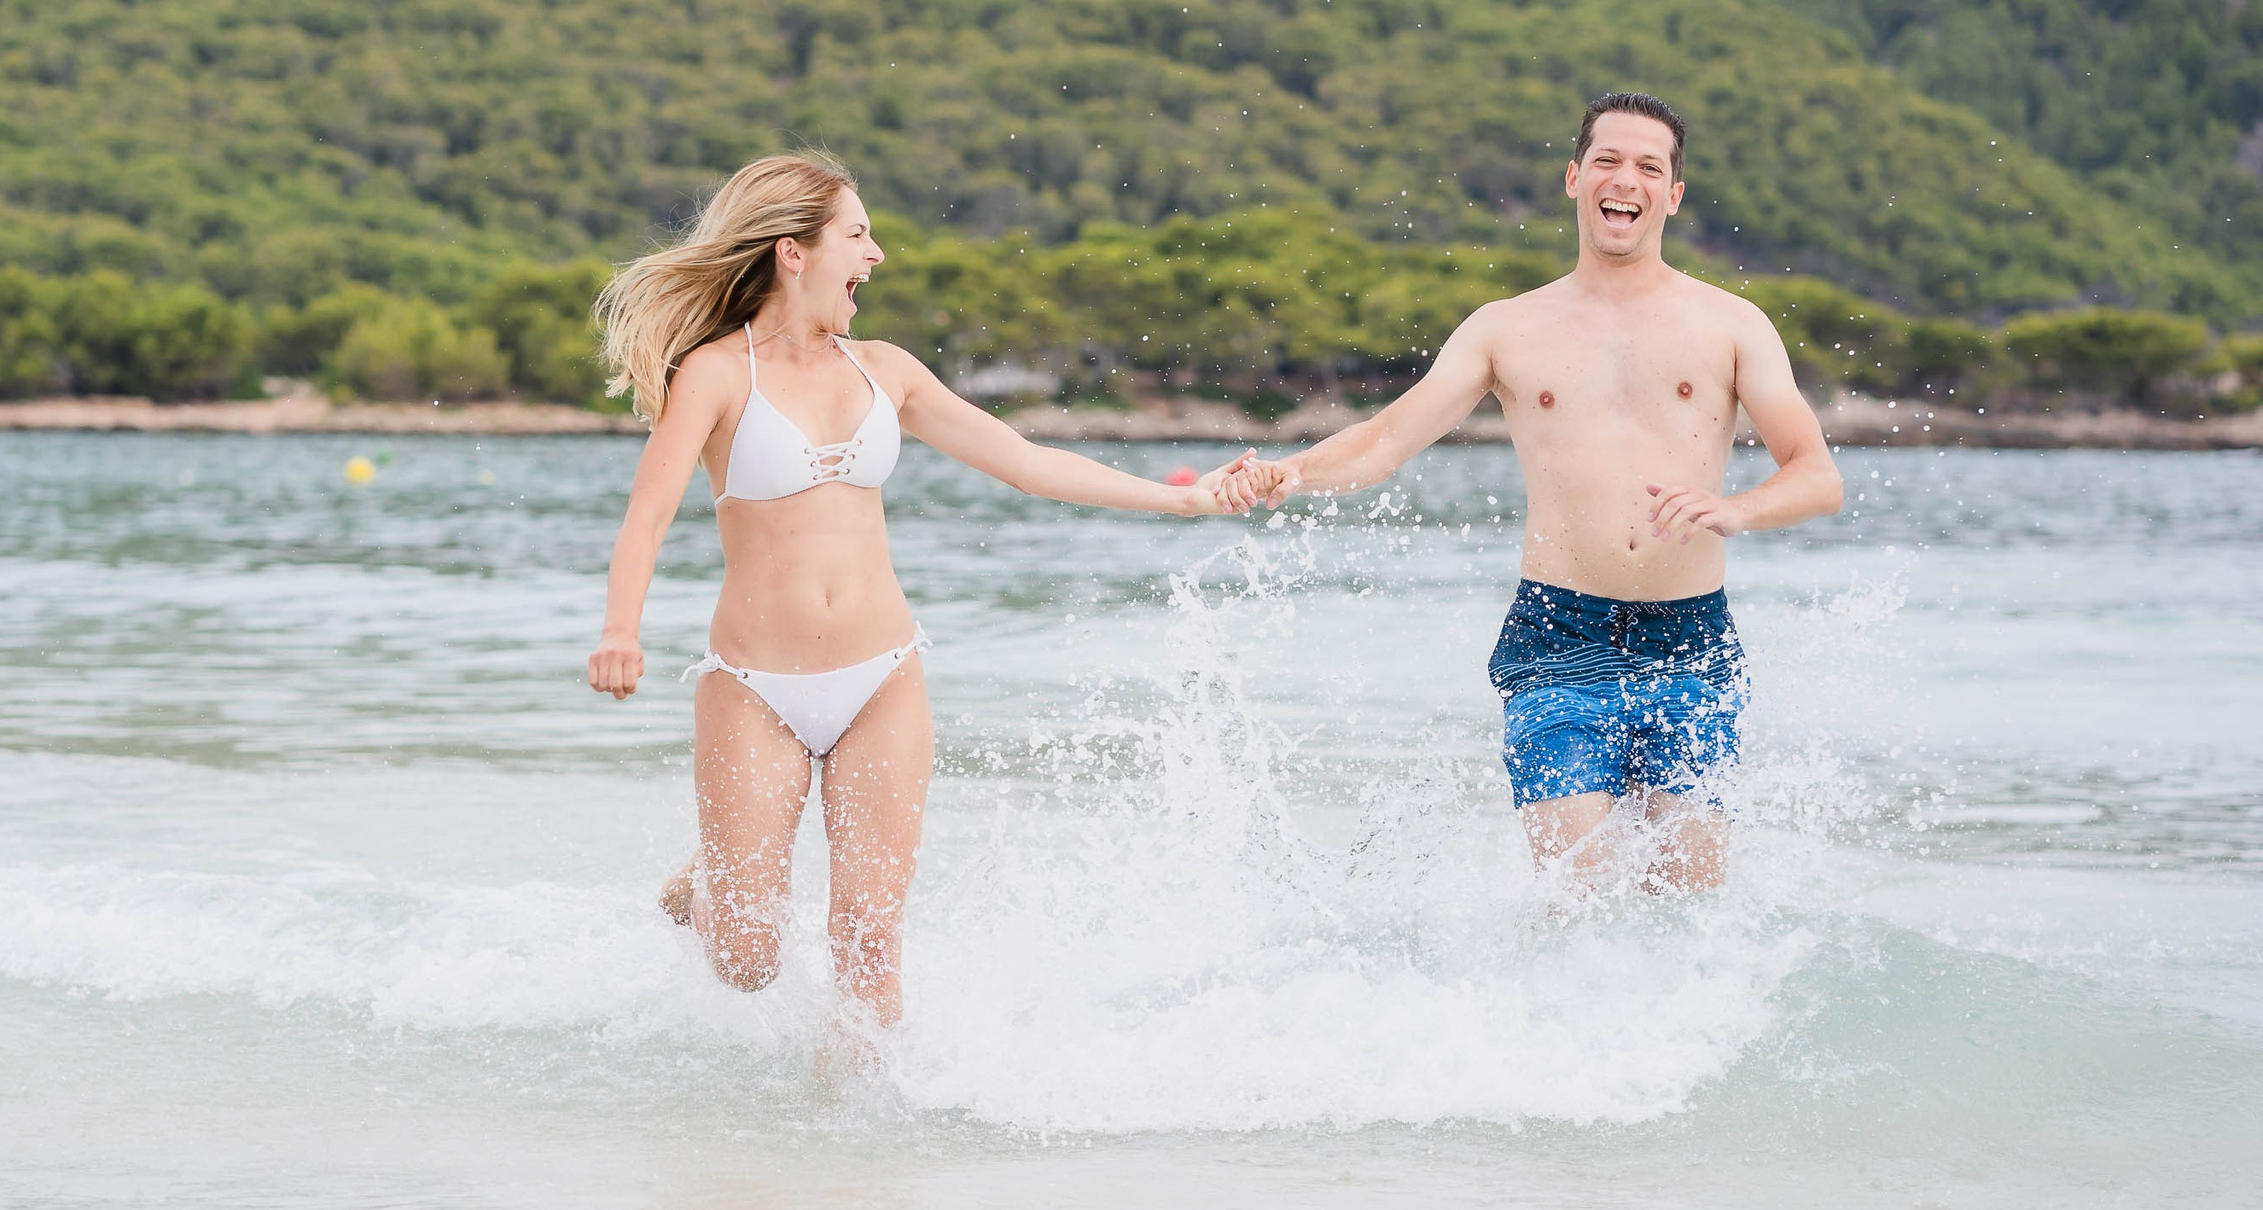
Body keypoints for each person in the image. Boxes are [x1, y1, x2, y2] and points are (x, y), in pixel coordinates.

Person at [586, 153, 1253, 1031]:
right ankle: (707, 884)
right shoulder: (715, 373)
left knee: (868, 936)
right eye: (858, 235)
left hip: (882, 678)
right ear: (794, 252)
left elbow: (1026, 462)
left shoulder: (886, 371)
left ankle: (864, 1157)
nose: (877, 255)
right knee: (747, 962)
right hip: (755, 686)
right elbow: (647, 517)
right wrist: (619, 631)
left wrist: (1186, 496)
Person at [1238, 93, 1844, 891]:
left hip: (1693, 646)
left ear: (1673, 194)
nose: (1625, 179)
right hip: (1557, 640)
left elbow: (1817, 475)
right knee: (1581, 903)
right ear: (1573, 177)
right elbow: (1385, 442)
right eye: (1608, 160)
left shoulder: (1732, 325)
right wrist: (1294, 472)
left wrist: (1736, 509)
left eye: (1648, 167)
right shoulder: (1506, 329)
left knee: (1689, 913)